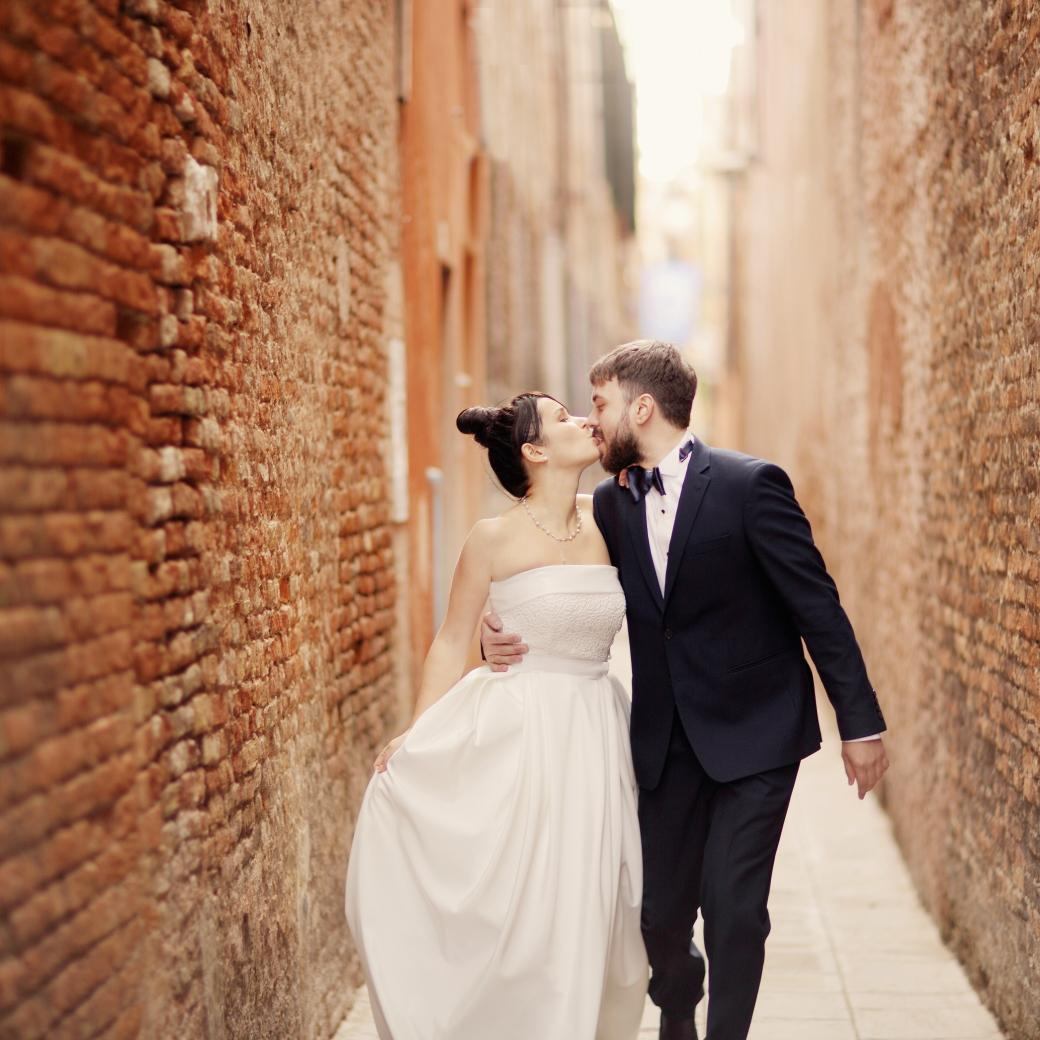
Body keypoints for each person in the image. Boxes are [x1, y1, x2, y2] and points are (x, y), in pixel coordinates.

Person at [482, 341, 889, 1040]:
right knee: (659, 919)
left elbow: (816, 606)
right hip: (666, 744)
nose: (592, 420)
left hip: (758, 734)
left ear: (643, 407)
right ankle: (677, 1006)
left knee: (735, 909)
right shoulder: (607, 507)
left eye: (601, 404)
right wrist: (500, 626)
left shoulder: (751, 485)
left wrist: (861, 724)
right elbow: (547, 553)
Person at [344, 392, 649, 1040]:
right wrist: (419, 731)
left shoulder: (612, 521)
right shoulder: (492, 538)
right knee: (524, 909)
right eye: (565, 419)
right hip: (521, 738)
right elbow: (453, 638)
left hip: (596, 735)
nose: (584, 422)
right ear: (535, 451)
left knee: (595, 907)